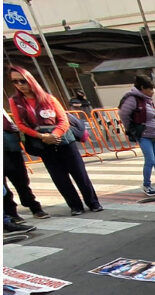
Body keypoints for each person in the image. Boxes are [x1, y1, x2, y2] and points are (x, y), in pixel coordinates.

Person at [9, 66, 103, 216]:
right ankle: (75, 206)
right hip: (43, 143)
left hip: (64, 140)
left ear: (31, 81)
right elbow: (20, 124)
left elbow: (63, 120)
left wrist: (55, 134)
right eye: (15, 82)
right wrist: (42, 137)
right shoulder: (15, 102)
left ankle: (93, 202)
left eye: (23, 81)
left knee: (80, 174)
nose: (20, 85)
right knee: (59, 178)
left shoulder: (48, 98)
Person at [119, 75, 155, 196]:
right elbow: (123, 114)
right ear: (142, 88)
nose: (152, 92)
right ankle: (146, 184)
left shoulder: (146, 99)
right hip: (144, 134)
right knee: (150, 160)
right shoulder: (133, 99)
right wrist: (132, 128)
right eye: (150, 89)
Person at [4, 110, 48, 221]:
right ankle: (11, 212)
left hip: (10, 146)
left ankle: (34, 206)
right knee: (3, 186)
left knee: (21, 179)